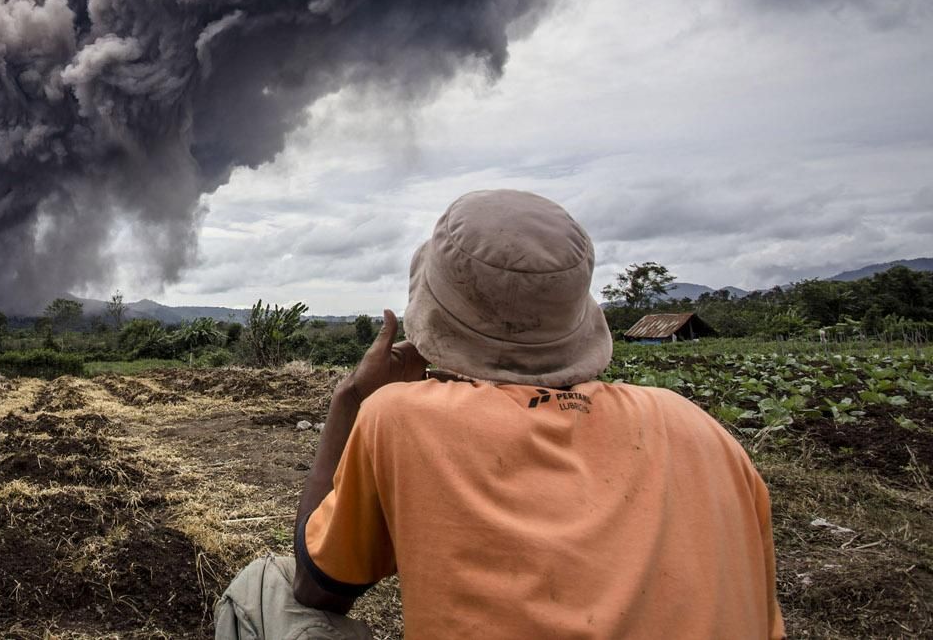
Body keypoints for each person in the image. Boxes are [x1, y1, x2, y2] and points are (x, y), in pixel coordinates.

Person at [215, 189, 784, 640]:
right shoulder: (699, 429)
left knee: (261, 588)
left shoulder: (402, 418)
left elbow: (320, 586)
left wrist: (350, 400)